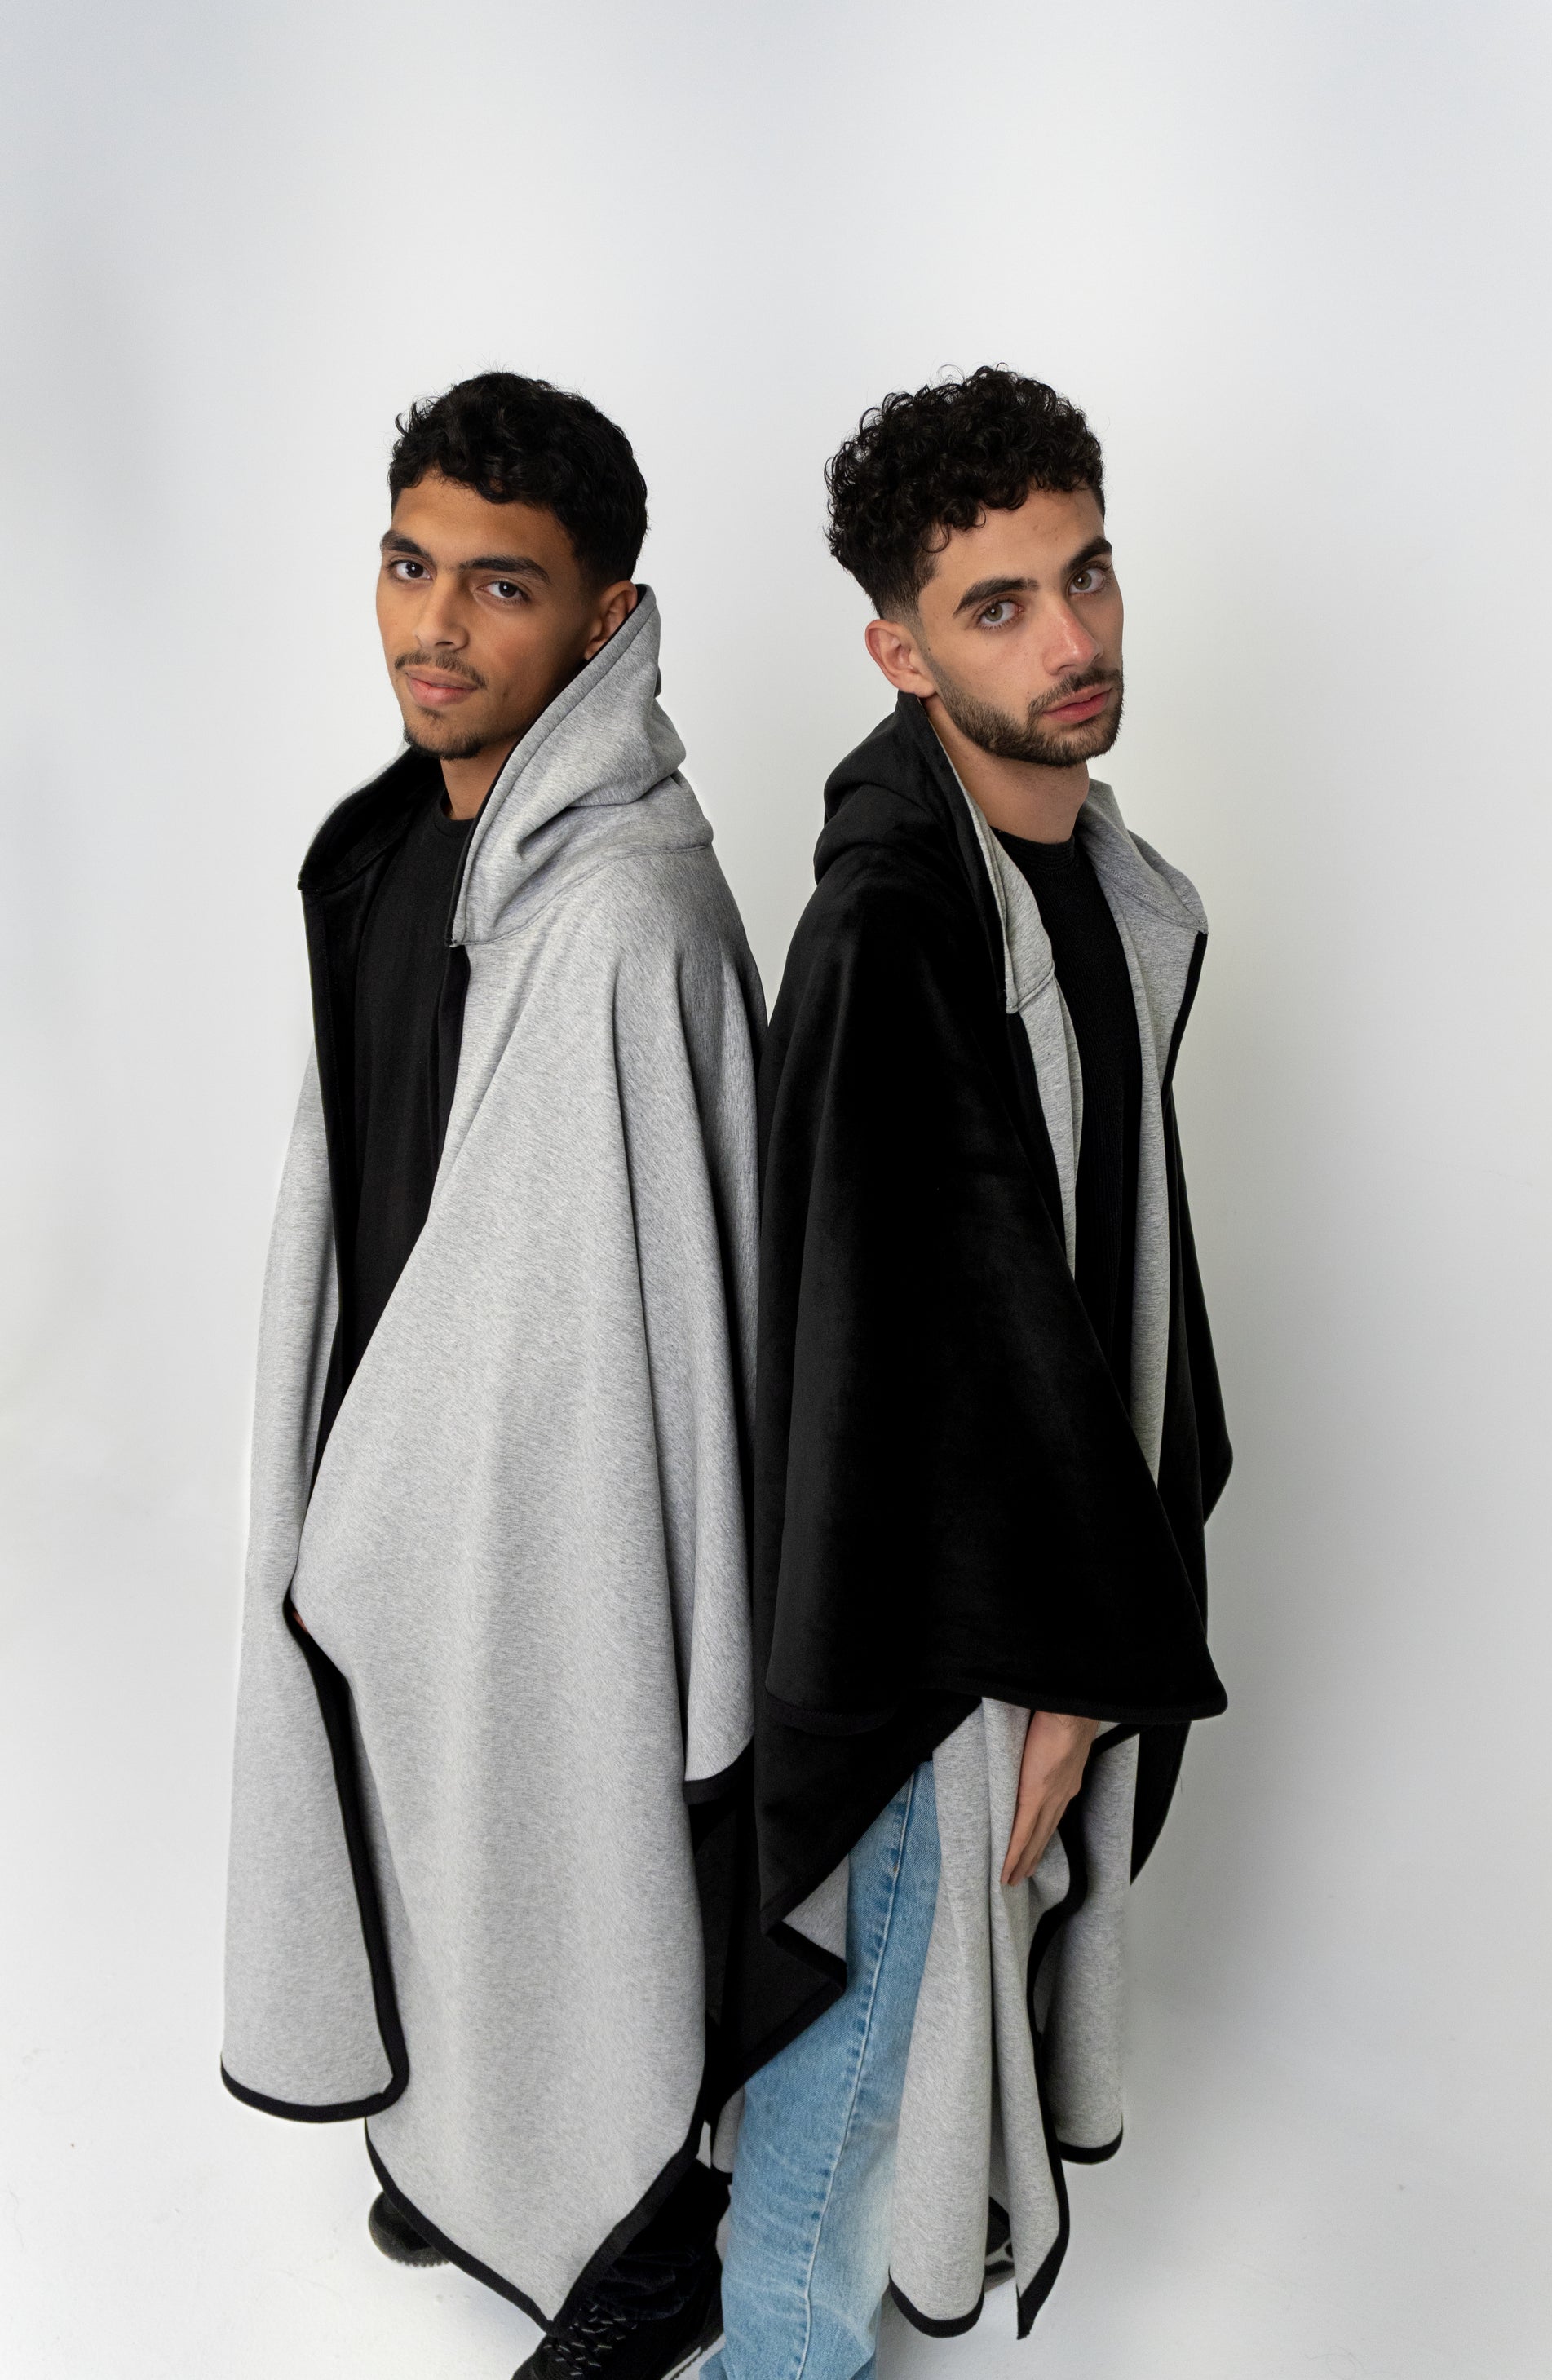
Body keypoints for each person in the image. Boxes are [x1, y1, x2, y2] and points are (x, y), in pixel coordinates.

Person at [222, 372, 775, 2380]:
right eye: (408, 565)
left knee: (568, 1784)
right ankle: (457, 2130)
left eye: (501, 585)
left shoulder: (627, 913)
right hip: (412, 1431)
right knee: (427, 1787)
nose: (434, 625)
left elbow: (629, 1313)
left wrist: (406, 1469)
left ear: (607, 618)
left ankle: (634, 2224)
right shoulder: (410, 841)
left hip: (558, 1474)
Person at [711, 368, 1232, 2380]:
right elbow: (906, 1350)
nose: (1071, 636)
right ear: (900, 650)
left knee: (921, 2015)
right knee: (867, 2038)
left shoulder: (1071, 864)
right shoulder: (892, 926)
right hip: (936, 1637)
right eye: (996, 605)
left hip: (1033, 1597)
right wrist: (1057, 1668)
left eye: (1083, 572)